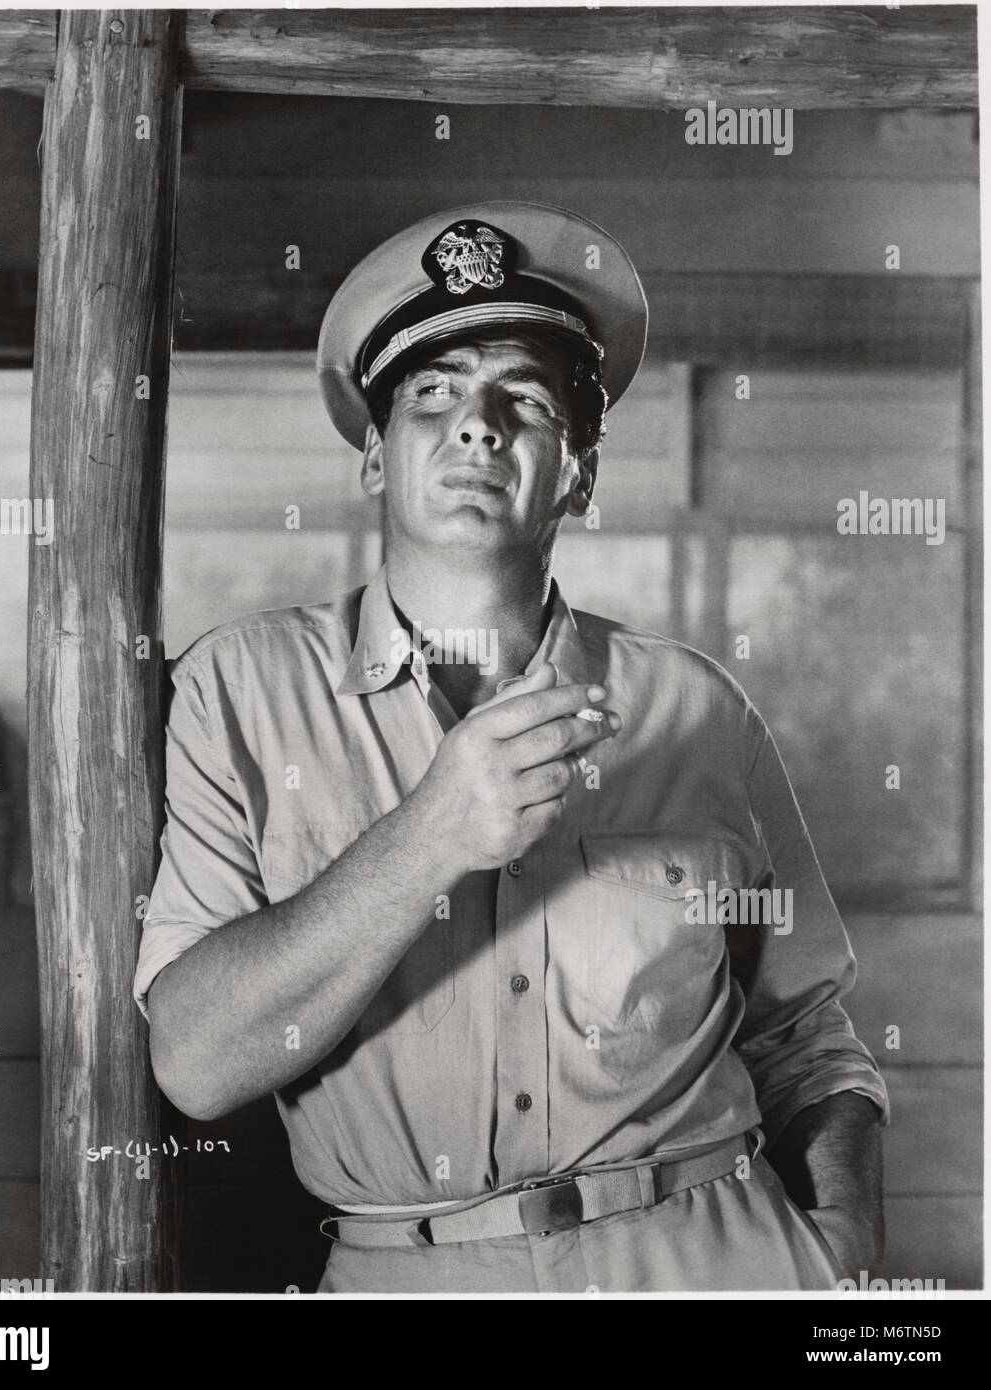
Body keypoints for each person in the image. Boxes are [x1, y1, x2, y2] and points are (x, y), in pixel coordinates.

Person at [133, 201, 889, 1293]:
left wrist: (850, 1246)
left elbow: (809, 1033)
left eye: (523, 402)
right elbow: (197, 1067)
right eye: (430, 397)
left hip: (719, 1259)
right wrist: (430, 834)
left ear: (578, 474)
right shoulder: (240, 690)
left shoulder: (695, 707)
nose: (475, 426)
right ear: (372, 462)